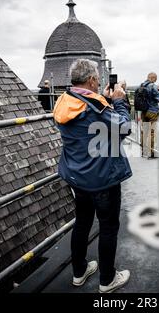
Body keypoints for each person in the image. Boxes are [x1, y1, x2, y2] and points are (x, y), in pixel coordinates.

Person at [53, 59, 132, 293]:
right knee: (108, 227)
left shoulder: (64, 100)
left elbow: (88, 124)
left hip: (77, 177)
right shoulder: (95, 106)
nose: (99, 82)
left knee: (83, 222)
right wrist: (119, 102)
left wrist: (105, 101)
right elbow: (123, 128)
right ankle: (107, 280)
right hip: (102, 178)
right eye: (97, 79)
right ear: (90, 80)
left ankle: (79, 272)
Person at [140, 72, 159, 158]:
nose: (156, 81)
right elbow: (158, 98)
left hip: (144, 111)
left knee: (144, 131)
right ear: (153, 78)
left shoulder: (142, 85)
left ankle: (143, 151)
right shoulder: (152, 86)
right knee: (152, 132)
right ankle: (151, 152)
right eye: (155, 79)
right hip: (152, 112)